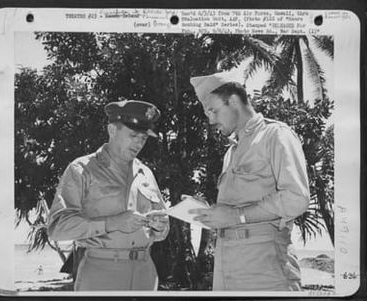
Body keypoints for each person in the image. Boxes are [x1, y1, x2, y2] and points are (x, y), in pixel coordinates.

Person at [189, 70, 310, 291]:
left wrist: (236, 216)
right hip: (226, 268)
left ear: (234, 100)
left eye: (213, 111)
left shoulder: (275, 135)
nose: (211, 120)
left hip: (265, 269)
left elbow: (296, 199)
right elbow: (234, 211)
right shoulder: (231, 153)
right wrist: (211, 214)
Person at [47, 100, 169, 291]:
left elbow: (161, 229)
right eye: (133, 135)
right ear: (112, 130)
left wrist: (160, 227)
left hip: (145, 273)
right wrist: (113, 223)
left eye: (143, 138)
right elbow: (57, 228)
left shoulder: (146, 173)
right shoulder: (82, 169)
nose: (139, 143)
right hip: (101, 271)